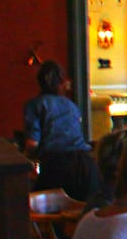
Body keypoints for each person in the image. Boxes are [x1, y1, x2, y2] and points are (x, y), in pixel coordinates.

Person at [23, 60, 101, 201]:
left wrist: (25, 157)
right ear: (61, 82)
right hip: (86, 166)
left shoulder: (35, 105)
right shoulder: (71, 105)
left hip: (56, 167)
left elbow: (32, 144)